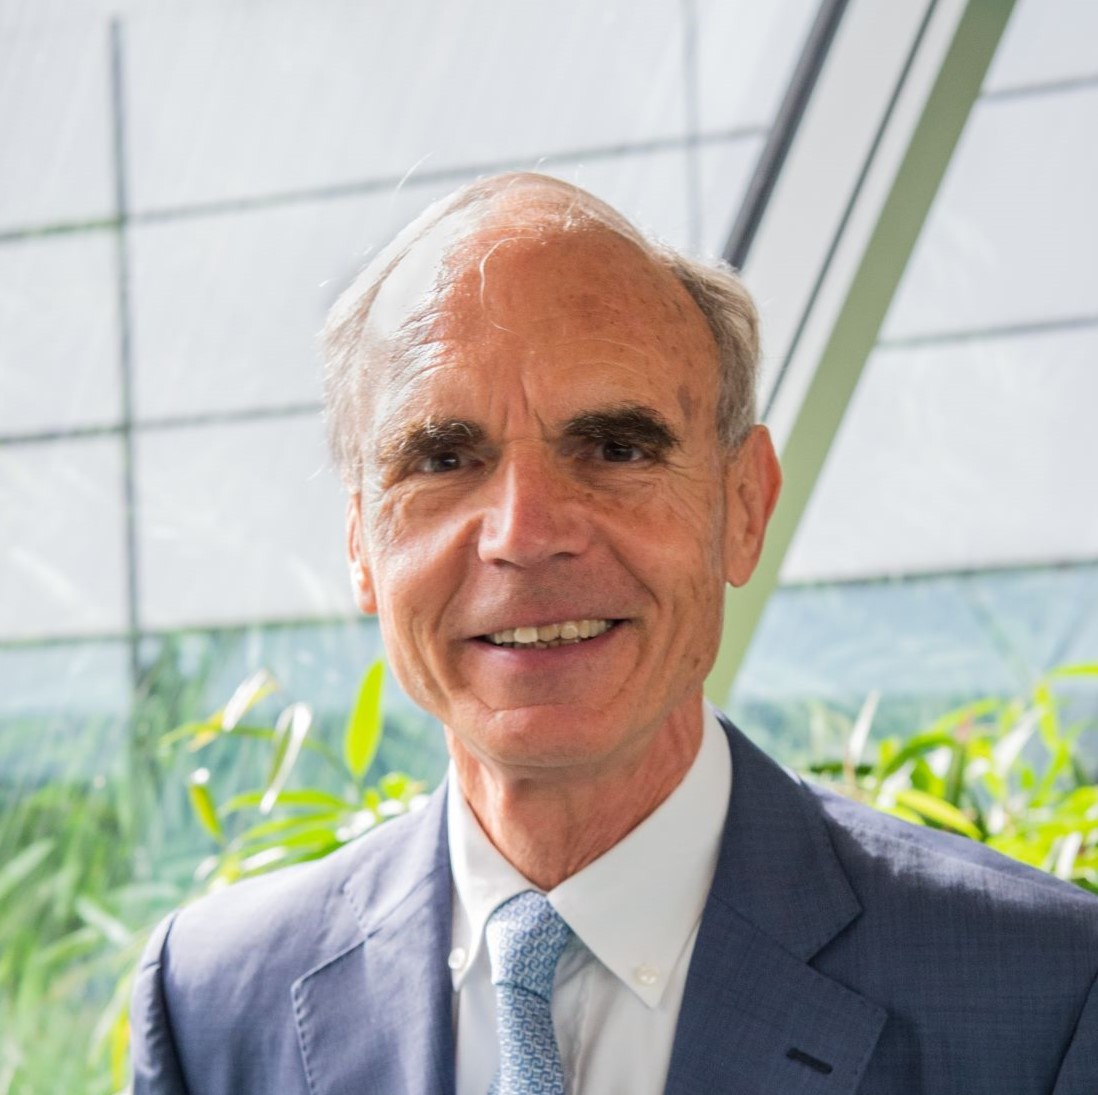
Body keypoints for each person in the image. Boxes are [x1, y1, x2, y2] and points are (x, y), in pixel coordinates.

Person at [131, 174, 1098, 1094]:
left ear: (745, 505)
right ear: (360, 543)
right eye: (445, 458)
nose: (524, 534)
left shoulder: (1042, 995)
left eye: (615, 447)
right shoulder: (212, 1003)